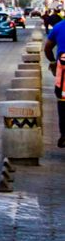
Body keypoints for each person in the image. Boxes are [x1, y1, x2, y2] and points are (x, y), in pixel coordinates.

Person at [45, 14, 65, 148]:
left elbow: (47, 48)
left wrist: (52, 61)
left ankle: (64, 133)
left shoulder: (59, 26)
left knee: (63, 100)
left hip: (63, 67)